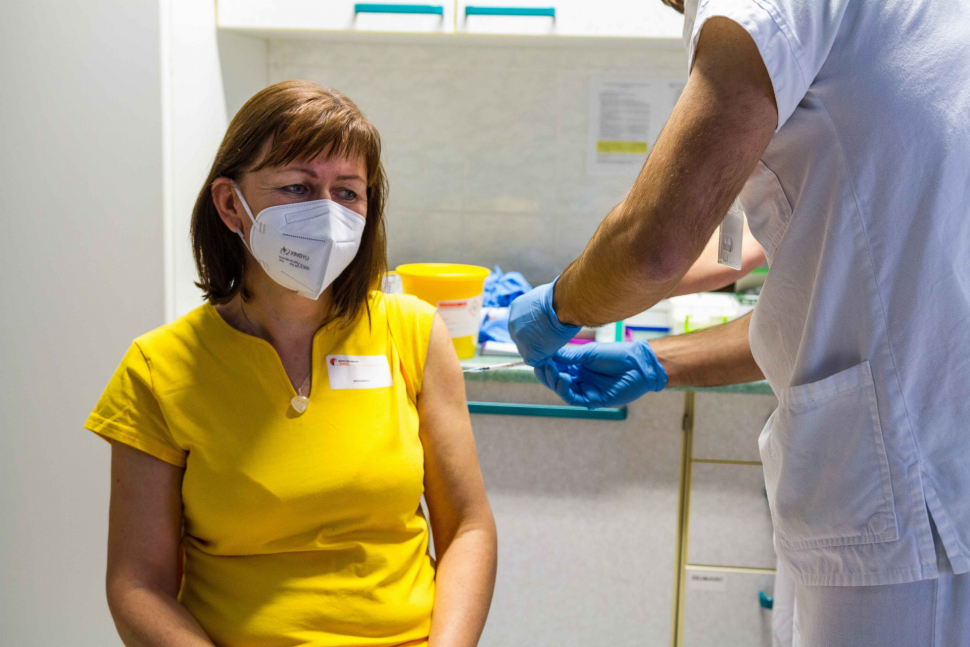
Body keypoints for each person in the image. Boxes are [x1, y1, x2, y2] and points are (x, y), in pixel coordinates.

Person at [508, 0, 970, 644]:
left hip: (912, 506)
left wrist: (559, 306)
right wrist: (656, 360)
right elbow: (840, 301)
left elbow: (653, 246)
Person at [85, 80, 497, 647]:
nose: (327, 214)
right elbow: (137, 586)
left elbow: (468, 529)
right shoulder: (158, 370)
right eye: (298, 187)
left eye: (348, 192)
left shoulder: (414, 333)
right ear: (231, 204)